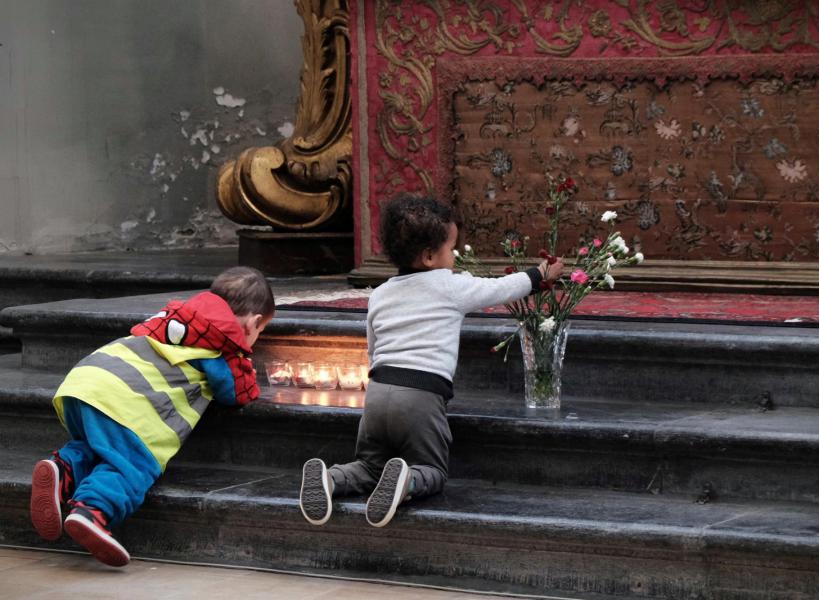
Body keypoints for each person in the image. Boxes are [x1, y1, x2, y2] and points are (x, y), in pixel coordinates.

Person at [299, 195, 563, 528]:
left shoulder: (381, 293)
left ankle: (331, 479)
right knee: (434, 471)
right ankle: (408, 480)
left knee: (369, 466)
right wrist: (539, 274)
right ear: (428, 257)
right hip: (421, 398)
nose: (454, 256)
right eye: (451, 249)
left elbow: (373, 344)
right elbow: (500, 288)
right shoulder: (449, 286)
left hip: (378, 393)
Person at [29, 266, 274, 567]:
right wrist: (245, 364)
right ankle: (92, 510)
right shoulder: (219, 343)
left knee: (99, 446)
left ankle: (63, 469)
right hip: (123, 402)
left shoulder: (177, 319)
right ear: (254, 322)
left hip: (85, 382)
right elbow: (235, 392)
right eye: (261, 333)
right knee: (131, 463)